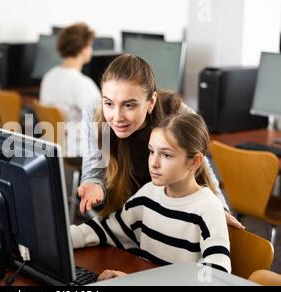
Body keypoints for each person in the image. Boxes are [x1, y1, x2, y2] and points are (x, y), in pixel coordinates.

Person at [77, 54, 244, 229]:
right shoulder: (94, 112)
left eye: (129, 105)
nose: (117, 117)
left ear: (151, 102)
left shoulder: (178, 114)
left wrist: (219, 208)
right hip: (123, 207)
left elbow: (203, 167)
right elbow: (93, 169)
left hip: (169, 209)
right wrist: (93, 184)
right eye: (109, 103)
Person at [71, 112, 231, 281]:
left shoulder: (208, 208)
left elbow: (216, 278)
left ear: (195, 162)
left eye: (166, 155)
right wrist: (53, 241)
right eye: (151, 151)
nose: (153, 163)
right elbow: (106, 229)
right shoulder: (149, 194)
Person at [39, 22, 101, 156]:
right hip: (74, 149)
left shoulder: (49, 76)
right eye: (90, 45)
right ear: (83, 49)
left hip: (52, 143)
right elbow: (102, 118)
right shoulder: (82, 83)